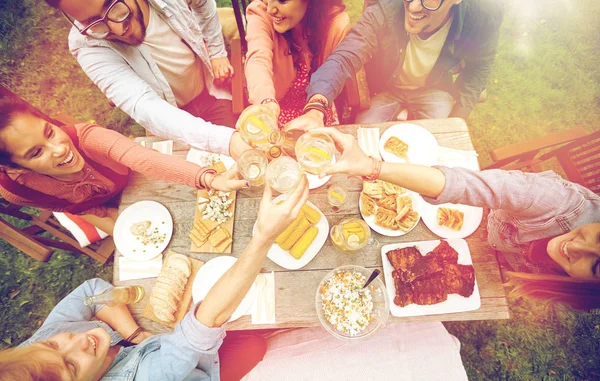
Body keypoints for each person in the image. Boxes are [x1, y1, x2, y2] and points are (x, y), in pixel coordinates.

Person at [0, 176, 311, 381]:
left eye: (56, 346)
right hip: (190, 370)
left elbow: (91, 291)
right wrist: (262, 237)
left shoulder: (36, 353)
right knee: (253, 346)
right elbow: (205, 322)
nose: (78, 341)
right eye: (71, 367)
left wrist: (135, 334)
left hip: (164, 340)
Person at [313, 128, 600, 310]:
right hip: (484, 230)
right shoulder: (554, 200)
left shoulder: (578, 291)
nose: (576, 248)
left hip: (495, 268)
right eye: (598, 238)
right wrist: (371, 166)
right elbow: (465, 185)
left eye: (597, 265)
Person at [0, 96, 247, 236]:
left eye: (50, 132)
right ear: (17, 168)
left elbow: (143, 158)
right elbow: (65, 206)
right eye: (36, 152)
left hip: (138, 181)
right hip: (107, 209)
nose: (60, 149)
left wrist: (210, 179)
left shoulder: (88, 138)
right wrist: (110, 221)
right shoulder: (16, 191)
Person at [44, 0, 251, 157]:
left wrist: (217, 52)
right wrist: (228, 142)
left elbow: (203, 4)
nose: (117, 29)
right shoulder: (85, 44)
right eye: (93, 23)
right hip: (170, 122)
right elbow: (144, 107)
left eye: (113, 6)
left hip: (211, 92)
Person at [285, 0, 504, 132]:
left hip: (433, 89)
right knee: (363, 137)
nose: (415, 6)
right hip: (384, 89)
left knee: (436, 146)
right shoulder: (386, 9)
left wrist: (455, 123)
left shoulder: (483, 18)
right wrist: (316, 108)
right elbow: (345, 56)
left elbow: (478, 71)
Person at [244, 0, 350, 128]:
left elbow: (336, 71)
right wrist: (266, 104)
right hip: (275, 110)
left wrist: (316, 109)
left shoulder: (334, 22)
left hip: (318, 110)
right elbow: (258, 61)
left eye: (282, 1)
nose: (270, 9)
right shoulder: (260, 14)